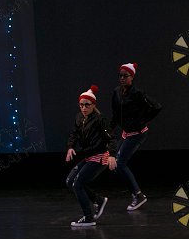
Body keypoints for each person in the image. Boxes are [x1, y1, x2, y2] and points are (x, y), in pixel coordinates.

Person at [108, 62, 162, 211]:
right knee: (115, 165)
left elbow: (156, 107)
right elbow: (115, 114)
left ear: (132, 77)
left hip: (138, 133)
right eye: (120, 75)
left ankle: (138, 196)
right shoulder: (116, 92)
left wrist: (141, 120)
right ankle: (136, 194)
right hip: (126, 133)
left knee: (120, 164)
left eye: (125, 76)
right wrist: (109, 130)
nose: (122, 78)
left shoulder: (137, 93)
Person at [66, 85, 117, 227]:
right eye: (81, 105)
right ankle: (98, 200)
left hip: (100, 157)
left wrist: (112, 155)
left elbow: (111, 138)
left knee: (78, 184)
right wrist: (70, 147)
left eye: (87, 105)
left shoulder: (100, 119)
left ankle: (88, 217)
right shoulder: (79, 117)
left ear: (93, 105)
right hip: (88, 156)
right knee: (70, 181)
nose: (83, 108)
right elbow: (74, 134)